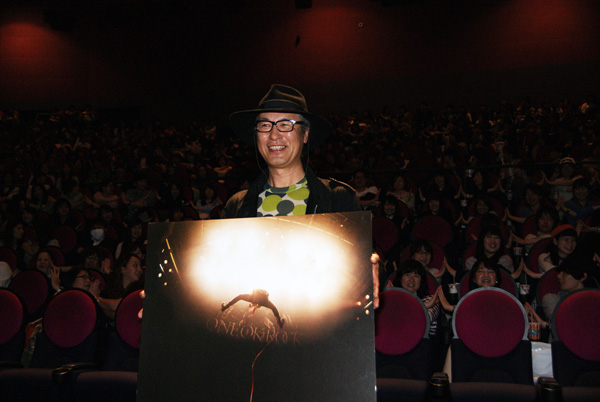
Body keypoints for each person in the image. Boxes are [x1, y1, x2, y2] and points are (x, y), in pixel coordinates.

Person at [141, 85, 377, 319]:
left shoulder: (337, 198)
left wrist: (373, 271)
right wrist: (166, 297)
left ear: (305, 134)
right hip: (253, 330)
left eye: (285, 124)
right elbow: (211, 273)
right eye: (265, 125)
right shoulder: (237, 205)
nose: (274, 135)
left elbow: (362, 268)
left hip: (319, 326)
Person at [390, 259, 440, 336]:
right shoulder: (392, 299)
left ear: (421, 280)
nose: (411, 279)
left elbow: (422, 321)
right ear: (400, 278)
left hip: (422, 339)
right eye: (407, 275)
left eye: (416, 276)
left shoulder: (430, 299)